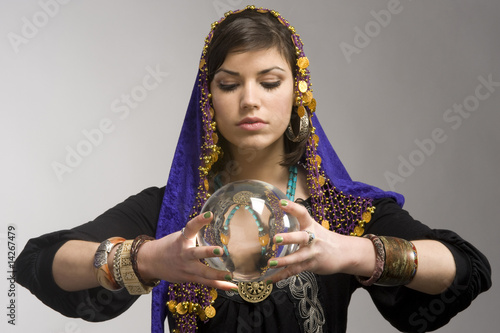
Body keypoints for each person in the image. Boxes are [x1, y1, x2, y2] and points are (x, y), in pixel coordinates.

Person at [15, 6, 491, 333]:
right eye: (229, 84)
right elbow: (38, 262)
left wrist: (353, 253)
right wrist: (147, 260)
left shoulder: (338, 212)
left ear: (297, 95)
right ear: (208, 101)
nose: (249, 100)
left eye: (269, 82)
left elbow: (466, 268)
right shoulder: (174, 215)